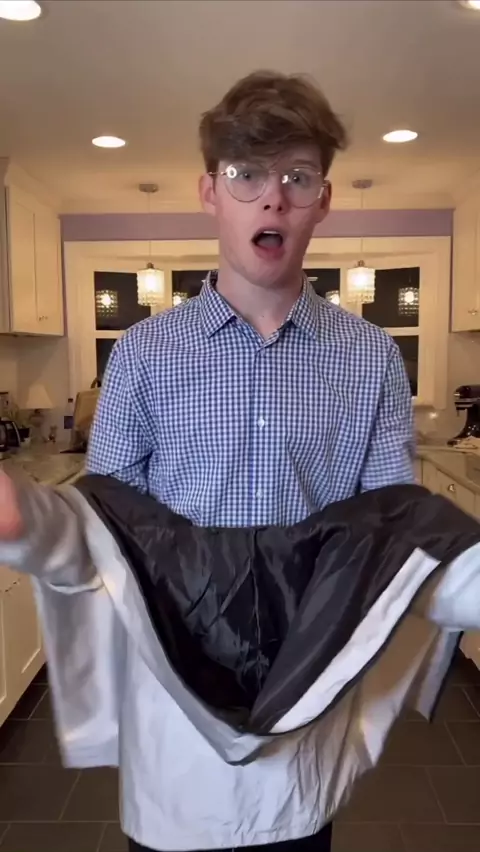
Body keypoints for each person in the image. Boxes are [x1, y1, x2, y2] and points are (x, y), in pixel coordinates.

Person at [0, 72, 418, 852]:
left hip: (301, 715)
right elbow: (108, 531)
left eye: (298, 177)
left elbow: (395, 535)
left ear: (323, 200)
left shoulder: (371, 359)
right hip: (175, 715)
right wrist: (35, 524)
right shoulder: (143, 355)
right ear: (209, 191)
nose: (274, 199)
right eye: (246, 173)